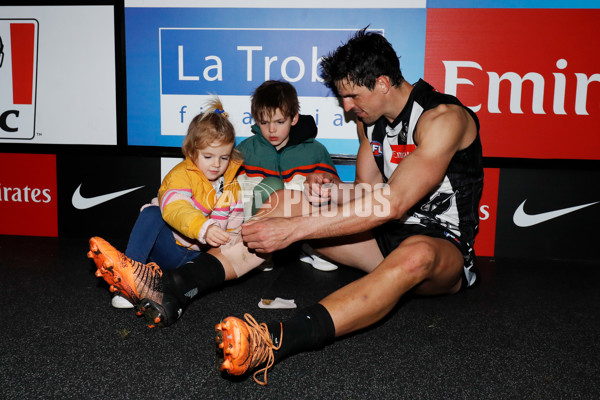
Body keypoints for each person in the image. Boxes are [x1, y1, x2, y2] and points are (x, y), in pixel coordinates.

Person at [88, 28, 483, 386]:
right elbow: (368, 191)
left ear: (381, 83)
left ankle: (275, 341)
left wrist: (297, 230)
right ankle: (173, 287)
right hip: (384, 238)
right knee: (285, 198)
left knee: (414, 256)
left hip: (441, 248)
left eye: (352, 96)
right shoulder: (371, 122)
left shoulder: (442, 119)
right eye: (343, 97)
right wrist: (328, 189)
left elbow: (392, 204)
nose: (346, 108)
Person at [88, 97, 258, 326]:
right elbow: (176, 209)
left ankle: (165, 284)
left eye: (224, 157)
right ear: (191, 150)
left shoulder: (231, 185)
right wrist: (204, 228)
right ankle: (128, 282)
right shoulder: (180, 174)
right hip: (169, 249)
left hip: (200, 258)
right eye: (208, 156)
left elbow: (236, 221)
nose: (217, 164)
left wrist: (236, 240)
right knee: (152, 214)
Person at [237, 79, 339, 271]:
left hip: (303, 229)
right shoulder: (246, 149)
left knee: (321, 192)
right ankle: (260, 252)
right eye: (264, 122)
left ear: (294, 119)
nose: (272, 130)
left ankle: (314, 247)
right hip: (256, 226)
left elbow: (335, 191)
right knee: (270, 185)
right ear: (256, 120)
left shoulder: (315, 150)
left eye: (279, 122)